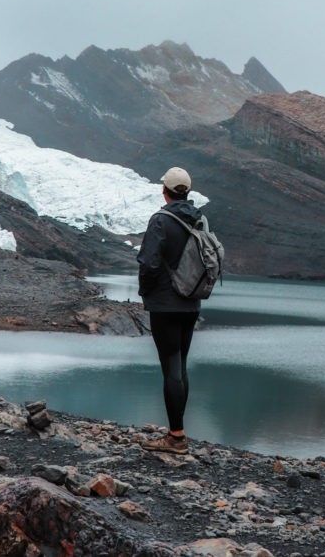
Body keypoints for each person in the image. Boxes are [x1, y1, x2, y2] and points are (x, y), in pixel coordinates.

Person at [137, 166, 202, 455]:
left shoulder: (161, 220)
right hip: (191, 303)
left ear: (164, 191)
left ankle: (176, 437)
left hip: (165, 303)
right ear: (186, 192)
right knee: (181, 365)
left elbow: (149, 263)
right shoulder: (199, 220)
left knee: (170, 368)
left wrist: (145, 292)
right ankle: (178, 431)